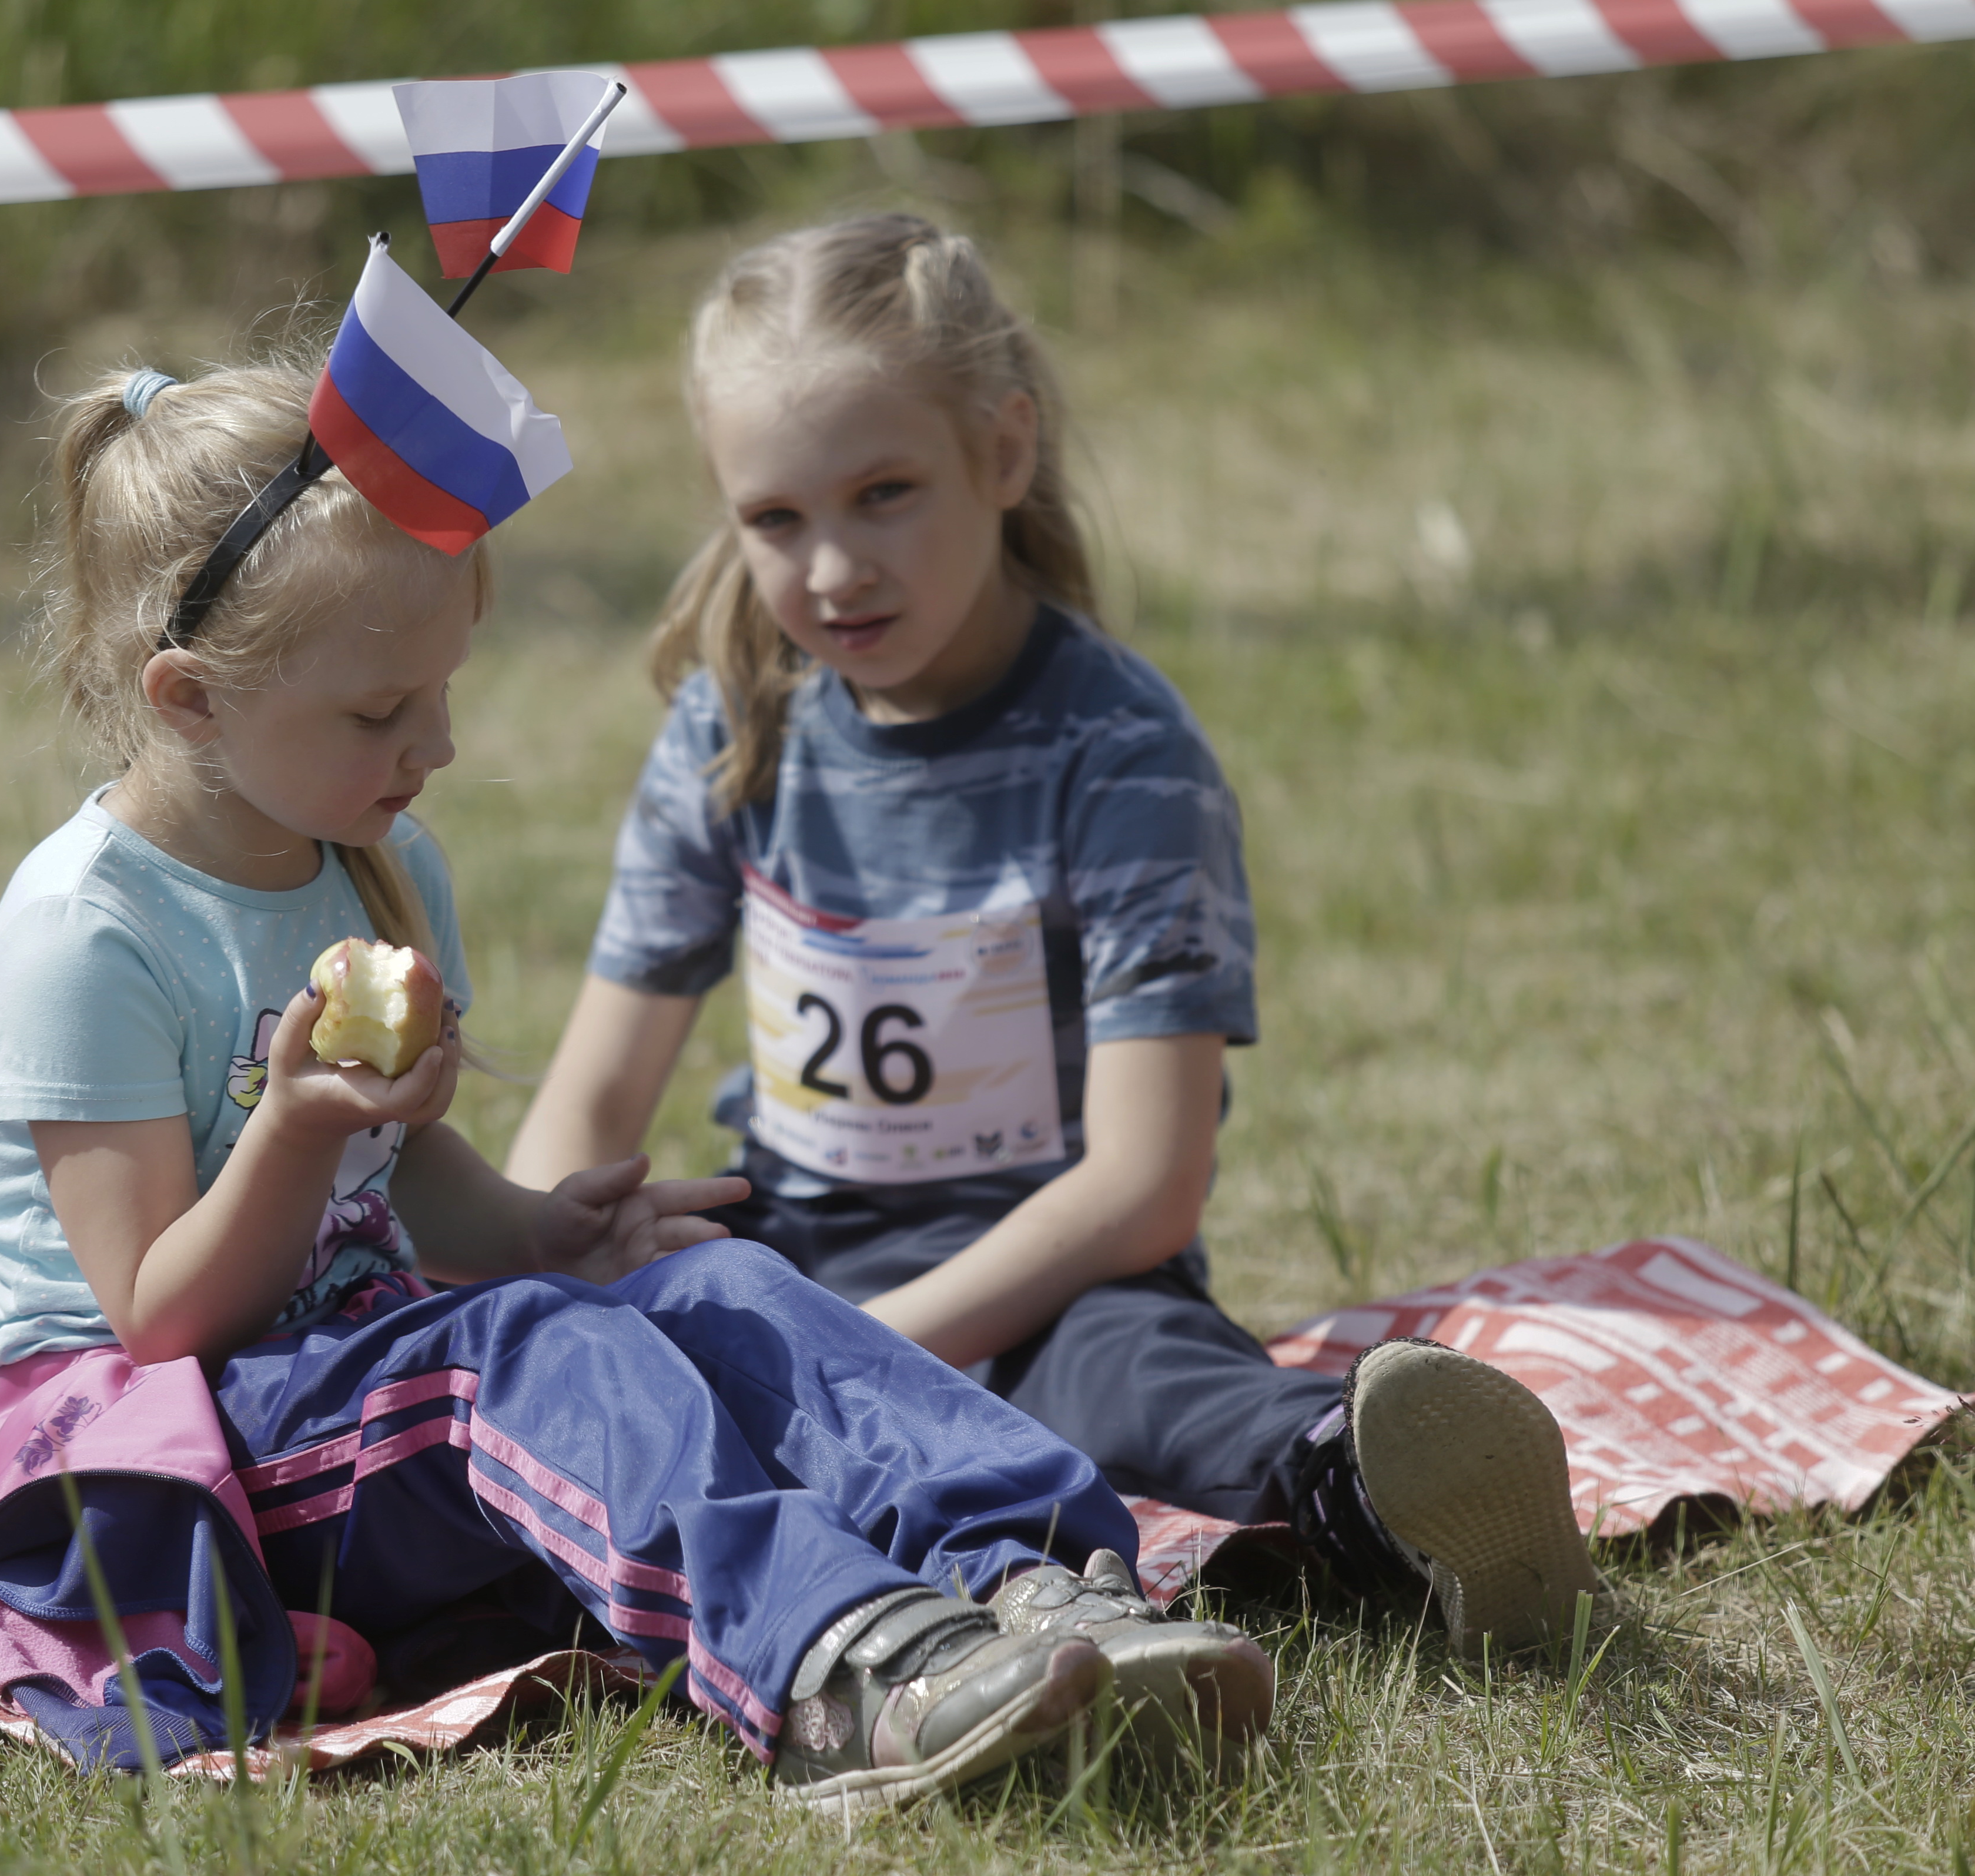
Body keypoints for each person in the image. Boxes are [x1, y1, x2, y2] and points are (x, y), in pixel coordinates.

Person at [0, 353, 1281, 1807]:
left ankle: (1036, 1581)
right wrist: (290, 1127)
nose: (430, 745)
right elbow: (154, 1313)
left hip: (358, 1385)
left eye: (443, 690)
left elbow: (425, 1210)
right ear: (187, 698)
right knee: (524, 1360)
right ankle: (845, 1667)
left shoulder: (371, 853)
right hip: (165, 1455)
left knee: (710, 1292)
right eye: (378, 709)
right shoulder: (81, 941)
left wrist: (550, 1222)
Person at [494, 213, 1602, 1658]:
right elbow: (591, 1098)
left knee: (1147, 1386)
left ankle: (1384, 1498)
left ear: (1002, 455)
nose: (831, 570)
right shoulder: (730, 724)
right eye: (775, 521)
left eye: (883, 493)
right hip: (782, 1254)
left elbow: (1144, 1185)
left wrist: (873, 1354)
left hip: (1058, 1274)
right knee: (630, 1362)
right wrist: (523, 1283)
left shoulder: (1121, 751)